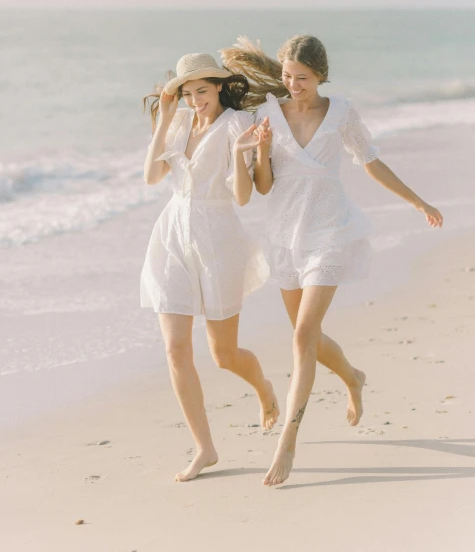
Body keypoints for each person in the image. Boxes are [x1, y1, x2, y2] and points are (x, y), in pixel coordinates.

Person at [221, 35, 443, 486]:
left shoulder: (341, 112)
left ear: (321, 75)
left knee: (302, 335)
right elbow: (263, 187)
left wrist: (417, 201)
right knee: (310, 338)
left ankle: (288, 441)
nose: (293, 85)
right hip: (285, 236)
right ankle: (353, 376)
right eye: (286, 76)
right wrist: (260, 150)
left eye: (302, 78)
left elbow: (371, 162)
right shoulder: (267, 114)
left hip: (329, 231)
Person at [141, 52, 279, 482]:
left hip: (218, 237)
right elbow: (151, 177)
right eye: (187, 92)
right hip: (172, 235)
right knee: (175, 348)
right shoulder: (179, 123)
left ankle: (265, 389)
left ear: (219, 86)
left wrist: (242, 154)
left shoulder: (238, 125)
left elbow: (243, 197)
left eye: (202, 90)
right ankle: (204, 448)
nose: (195, 99)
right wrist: (164, 118)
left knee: (223, 354)